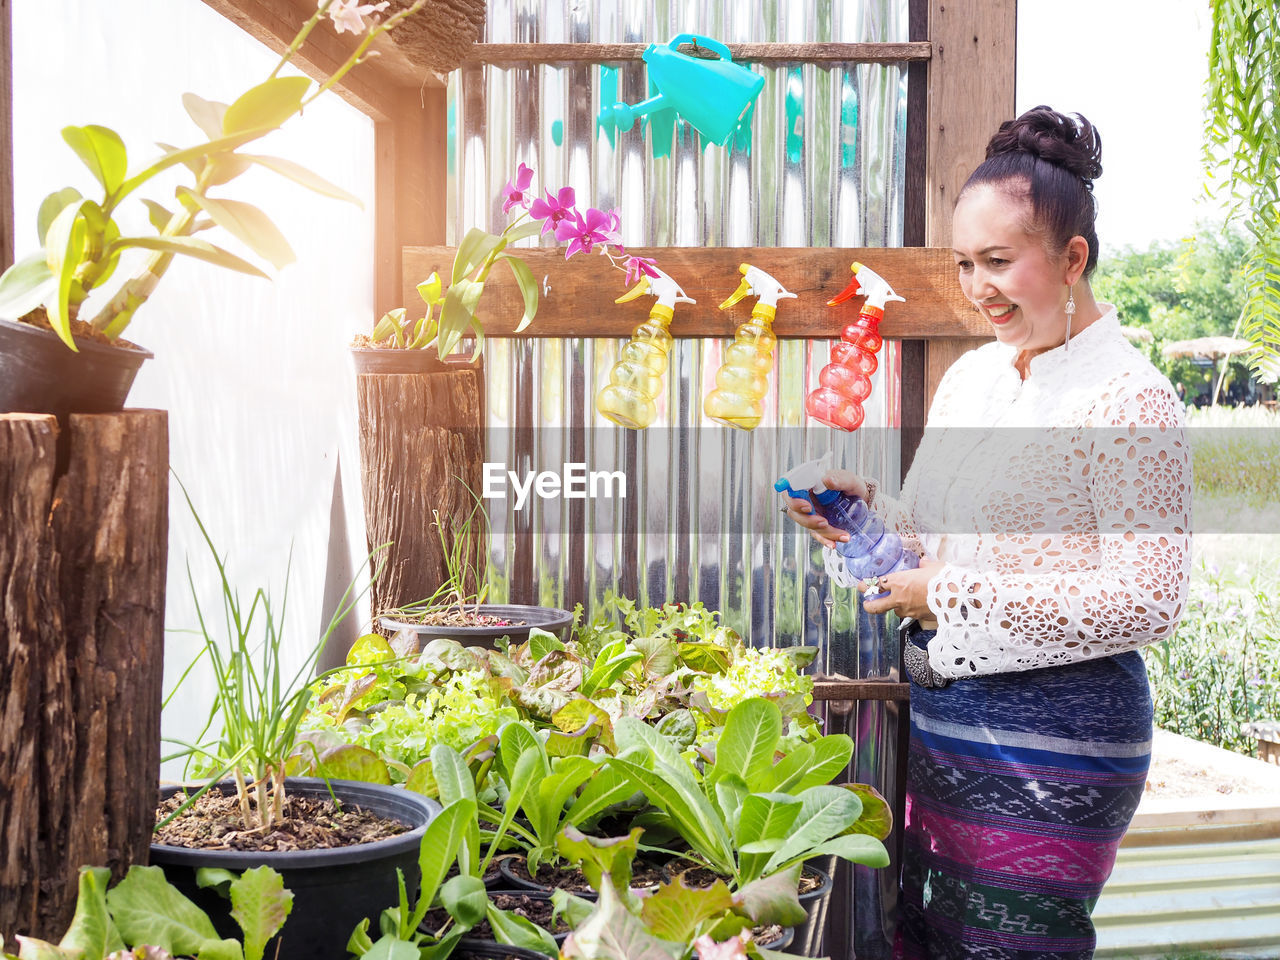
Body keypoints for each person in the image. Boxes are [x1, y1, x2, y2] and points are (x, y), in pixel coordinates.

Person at [786, 106, 1191, 958]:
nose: (978, 288)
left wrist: (948, 592)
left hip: (1059, 743)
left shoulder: (1130, 398)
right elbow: (931, 533)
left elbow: (1150, 600)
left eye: (1000, 262)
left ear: (1072, 258)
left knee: (1009, 947)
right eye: (966, 264)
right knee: (927, 937)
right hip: (945, 719)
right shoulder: (972, 379)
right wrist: (857, 509)